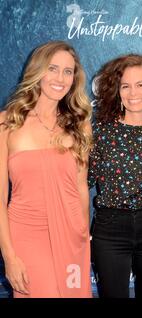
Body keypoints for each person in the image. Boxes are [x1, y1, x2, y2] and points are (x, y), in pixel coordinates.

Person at [0, 41, 92, 298]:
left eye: (68, 71)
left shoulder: (80, 125)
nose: (60, 78)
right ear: (37, 71)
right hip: (27, 233)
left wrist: (82, 235)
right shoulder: (7, 123)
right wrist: (9, 256)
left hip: (72, 233)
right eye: (52, 68)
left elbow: (81, 186)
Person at [89, 53, 142, 298]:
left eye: (140, 85)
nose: (132, 93)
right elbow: (80, 182)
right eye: (125, 86)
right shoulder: (100, 132)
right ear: (117, 90)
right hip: (109, 228)